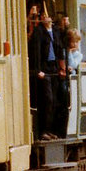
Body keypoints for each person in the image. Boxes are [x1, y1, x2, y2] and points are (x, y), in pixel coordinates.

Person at [28, 11, 58, 139]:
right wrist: (37, 70)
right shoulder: (38, 31)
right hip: (43, 69)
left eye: (47, 15)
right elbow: (36, 52)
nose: (45, 17)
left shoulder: (55, 31)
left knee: (54, 100)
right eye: (43, 16)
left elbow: (59, 48)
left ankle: (50, 129)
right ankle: (43, 131)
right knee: (47, 99)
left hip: (54, 68)